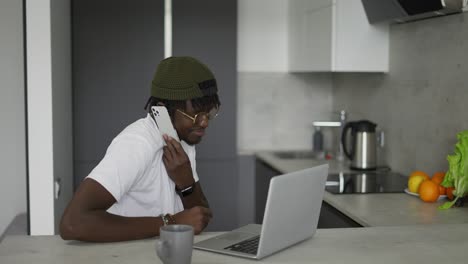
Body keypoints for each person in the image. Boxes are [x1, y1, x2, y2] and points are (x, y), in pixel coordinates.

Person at [60, 56, 220, 242]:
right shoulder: (136, 144)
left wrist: (187, 184)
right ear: (162, 109)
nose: (204, 122)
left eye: (209, 112)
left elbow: (200, 218)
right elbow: (72, 223)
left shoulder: (183, 138)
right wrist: (170, 223)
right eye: (195, 114)